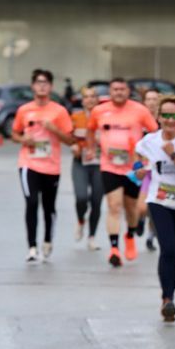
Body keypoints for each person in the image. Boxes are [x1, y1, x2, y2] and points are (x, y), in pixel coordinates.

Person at [135, 96, 175, 322]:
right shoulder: (148, 141)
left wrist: (173, 154)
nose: (170, 120)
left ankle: (170, 290)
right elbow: (139, 161)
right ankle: (167, 299)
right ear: (158, 117)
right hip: (159, 200)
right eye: (166, 115)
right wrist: (140, 171)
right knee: (169, 250)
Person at [87, 77, 158, 267]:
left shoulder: (140, 110)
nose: (119, 92)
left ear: (128, 91)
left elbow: (155, 132)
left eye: (122, 89)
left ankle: (129, 235)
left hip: (133, 168)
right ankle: (114, 249)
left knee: (131, 209)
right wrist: (91, 148)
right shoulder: (99, 111)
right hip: (109, 166)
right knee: (114, 206)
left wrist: (148, 157)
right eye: (115, 89)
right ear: (110, 92)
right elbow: (90, 130)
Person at [11, 69, 75, 262]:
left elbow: (71, 140)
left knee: (49, 207)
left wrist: (54, 129)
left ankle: (48, 239)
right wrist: (24, 139)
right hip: (28, 163)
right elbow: (14, 134)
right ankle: (32, 246)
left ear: (51, 86)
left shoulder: (59, 111)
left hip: (51, 166)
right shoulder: (24, 110)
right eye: (38, 82)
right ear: (33, 86)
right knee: (31, 203)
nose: (42, 86)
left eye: (45, 82)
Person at [70, 85, 104, 251]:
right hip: (80, 163)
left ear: (97, 100)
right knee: (81, 197)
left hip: (100, 163)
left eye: (93, 96)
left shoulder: (105, 118)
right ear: (82, 100)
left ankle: (91, 237)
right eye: (86, 97)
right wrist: (74, 146)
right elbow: (69, 137)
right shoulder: (76, 118)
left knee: (96, 201)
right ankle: (80, 220)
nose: (89, 99)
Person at [136, 88, 161, 251]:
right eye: (148, 99)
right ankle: (140, 219)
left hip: (157, 171)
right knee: (141, 207)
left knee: (153, 206)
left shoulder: (164, 121)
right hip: (139, 168)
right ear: (144, 102)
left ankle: (151, 235)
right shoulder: (137, 120)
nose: (151, 102)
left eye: (154, 99)